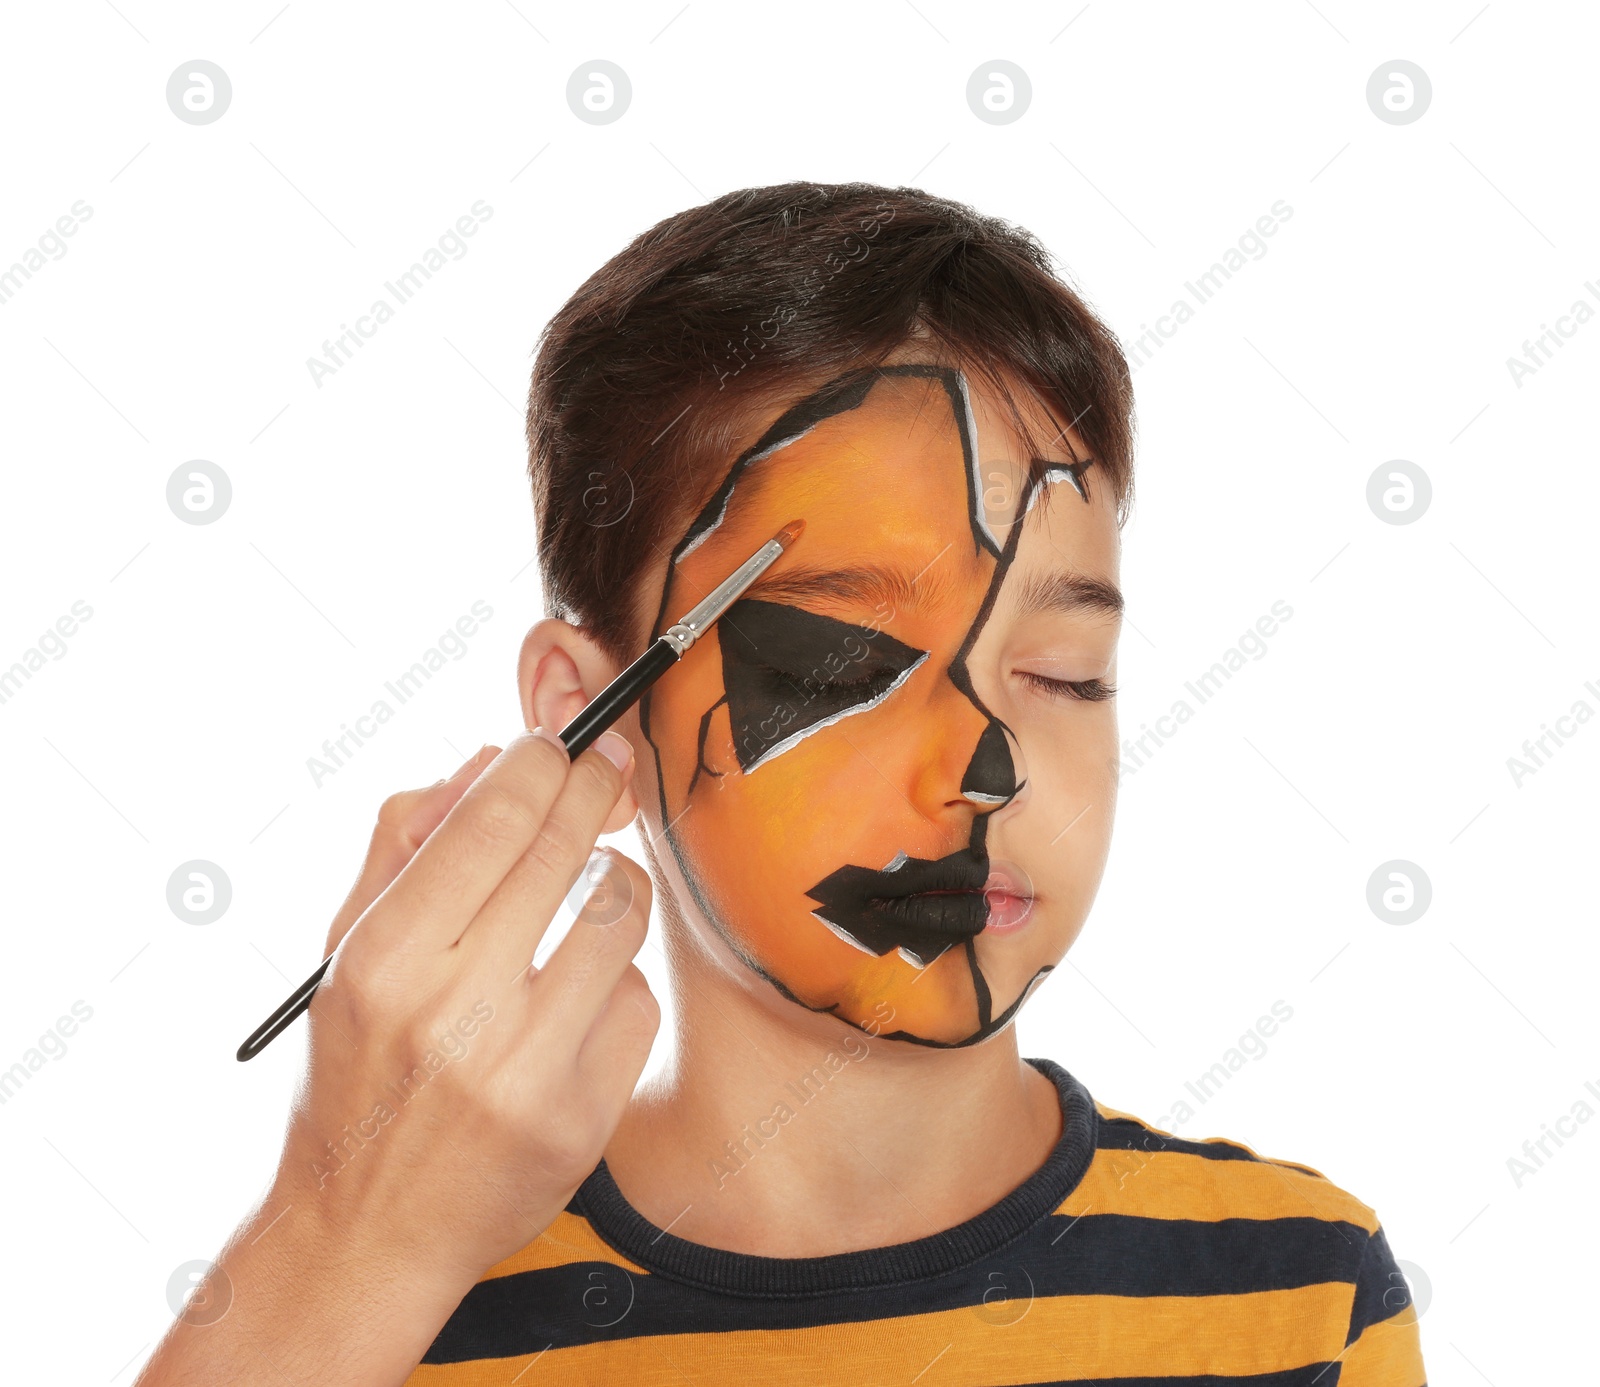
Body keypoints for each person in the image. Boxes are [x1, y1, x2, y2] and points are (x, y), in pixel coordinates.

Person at [137, 182, 1426, 1385]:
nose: (987, 768)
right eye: (834, 665)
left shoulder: (1294, 1302)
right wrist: (345, 1239)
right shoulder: (399, 1323)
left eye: (1063, 672)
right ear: (592, 720)